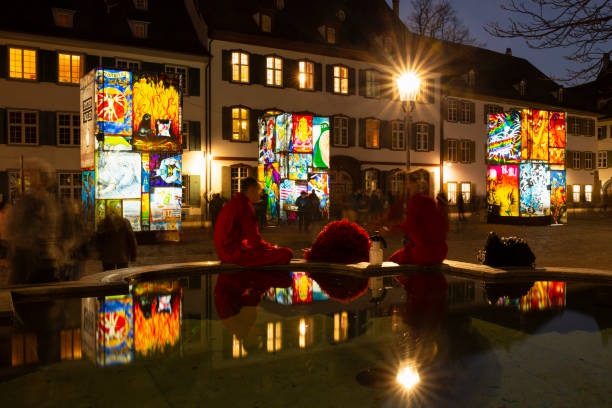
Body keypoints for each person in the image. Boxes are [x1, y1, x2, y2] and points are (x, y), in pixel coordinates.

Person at [214, 177, 293, 266]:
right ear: (252, 190)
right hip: (234, 254)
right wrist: (270, 248)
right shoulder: (243, 205)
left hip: (225, 251)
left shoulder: (234, 202)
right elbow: (254, 240)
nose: (260, 195)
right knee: (286, 253)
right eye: (259, 191)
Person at [388, 174, 449, 265]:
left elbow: (410, 225)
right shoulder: (432, 201)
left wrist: (391, 230)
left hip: (424, 252)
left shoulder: (416, 200)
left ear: (411, 185)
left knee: (392, 261)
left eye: (407, 184)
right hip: (441, 252)